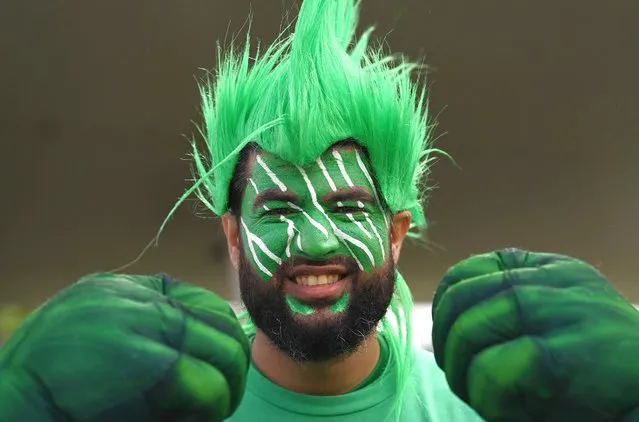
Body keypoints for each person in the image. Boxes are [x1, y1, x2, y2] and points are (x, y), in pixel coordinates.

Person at [1, 1, 639, 421]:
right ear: (232, 234)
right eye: (276, 206)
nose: (311, 240)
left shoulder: (488, 407)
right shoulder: (148, 408)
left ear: (395, 234)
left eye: (347, 204)